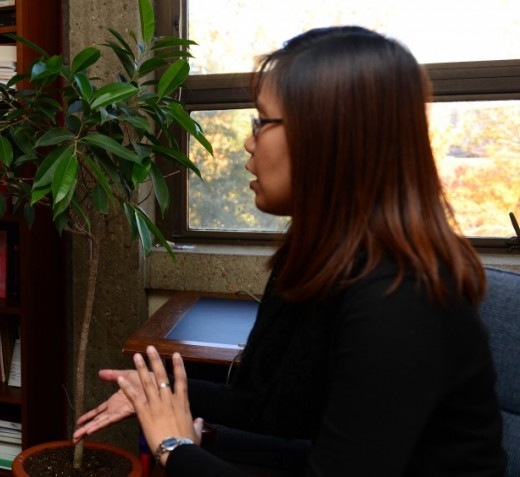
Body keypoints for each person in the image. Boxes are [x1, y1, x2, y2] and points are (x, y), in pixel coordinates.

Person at [73, 26, 508, 475]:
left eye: (262, 121)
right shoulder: (319, 256)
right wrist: (160, 391)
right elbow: (273, 407)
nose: (248, 141)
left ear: (329, 135)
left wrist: (175, 447)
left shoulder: (400, 296)